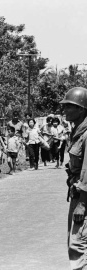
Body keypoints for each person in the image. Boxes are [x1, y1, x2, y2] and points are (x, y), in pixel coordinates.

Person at [60, 87, 87, 270]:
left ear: (82, 109)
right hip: (78, 194)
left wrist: (82, 204)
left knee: (78, 245)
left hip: (83, 198)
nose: (65, 110)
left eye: (70, 106)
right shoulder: (77, 130)